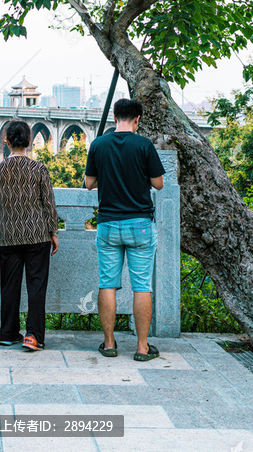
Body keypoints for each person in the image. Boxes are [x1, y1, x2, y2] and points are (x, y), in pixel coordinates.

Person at [85, 98, 165, 361]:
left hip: (108, 224)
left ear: (114, 116)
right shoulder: (143, 145)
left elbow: (88, 183)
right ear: (137, 119)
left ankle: (109, 344)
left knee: (107, 284)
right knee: (142, 286)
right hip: (140, 224)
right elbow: (158, 183)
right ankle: (142, 348)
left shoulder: (98, 144)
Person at [0, 120, 59, 351]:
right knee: (36, 287)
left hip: (8, 236)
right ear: (28, 142)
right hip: (37, 235)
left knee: (9, 286)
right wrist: (53, 232)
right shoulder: (39, 169)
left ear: (6, 141)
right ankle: (33, 336)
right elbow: (49, 204)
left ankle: (7, 333)